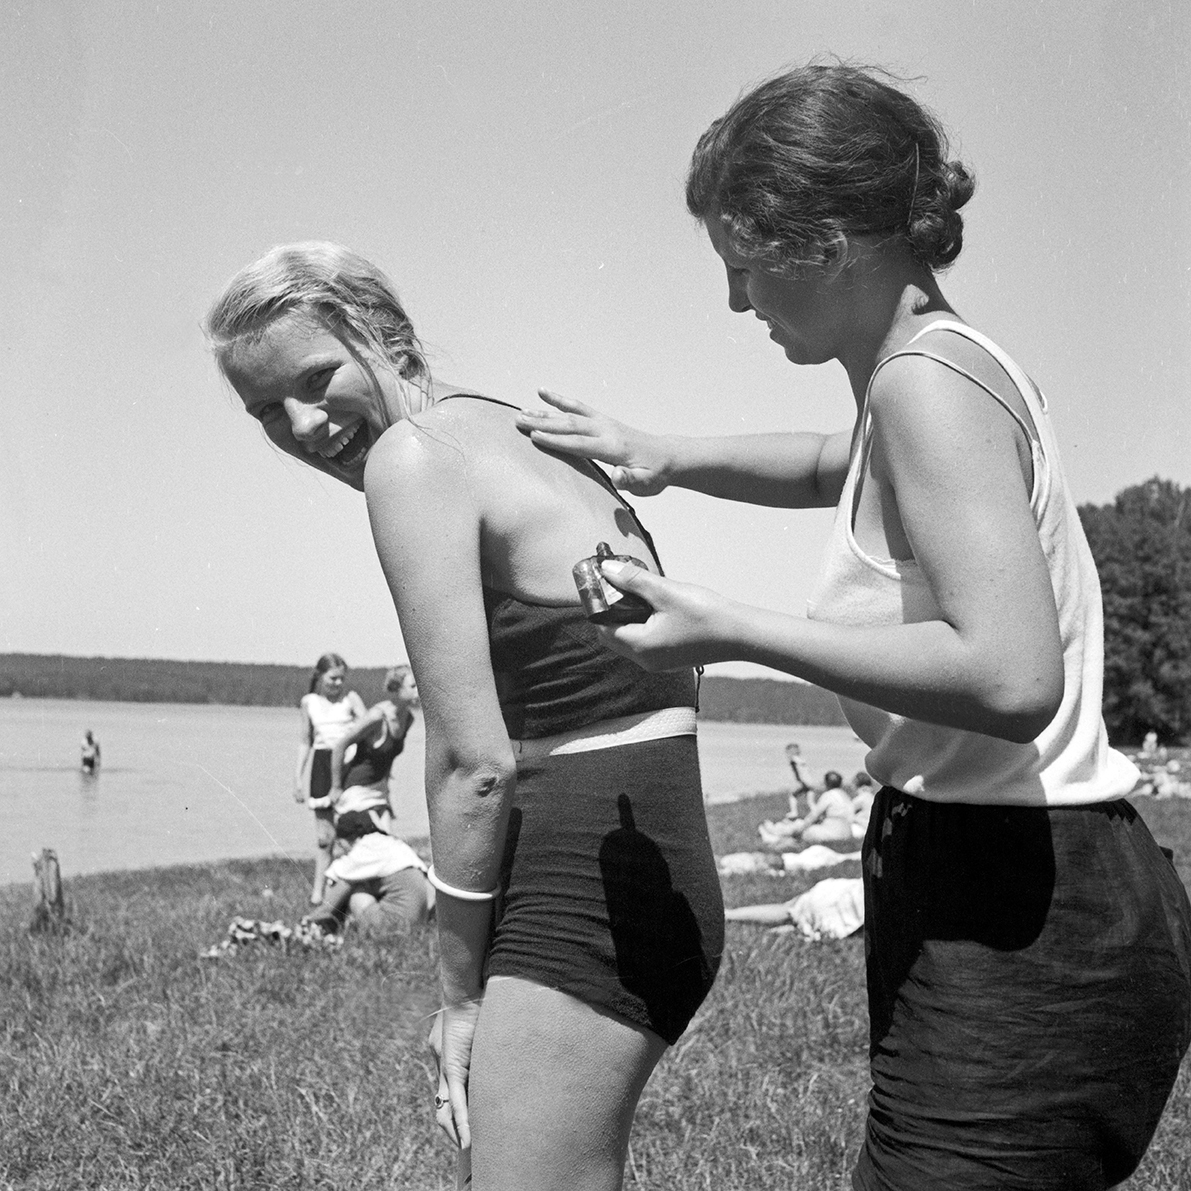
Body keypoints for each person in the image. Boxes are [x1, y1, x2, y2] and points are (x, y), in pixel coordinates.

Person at [514, 62, 1191, 1190]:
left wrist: (725, 626)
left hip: (1026, 902)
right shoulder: (928, 373)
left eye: (745, 269)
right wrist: (670, 456)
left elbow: (1014, 677)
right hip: (998, 872)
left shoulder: (924, 388)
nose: (739, 305)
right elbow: (847, 466)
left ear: (826, 244)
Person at [206, 242, 722, 1191]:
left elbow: (472, 764)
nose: (302, 425)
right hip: (651, 853)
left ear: (383, 337)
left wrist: (458, 992)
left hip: (582, 882)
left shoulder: (416, 459)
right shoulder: (513, 428)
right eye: (264, 411)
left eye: (317, 379)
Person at [297, 653, 366, 905]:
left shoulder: (351, 699)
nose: (337, 683)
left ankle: (352, 892)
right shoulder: (309, 702)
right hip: (321, 767)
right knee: (324, 838)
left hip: (349, 765)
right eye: (332, 678)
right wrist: (297, 779)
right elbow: (305, 741)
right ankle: (319, 894)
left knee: (351, 833)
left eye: (341, 679)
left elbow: (369, 728)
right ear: (320, 676)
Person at [758, 769, 854, 846]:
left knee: (804, 832)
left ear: (827, 783)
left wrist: (802, 827)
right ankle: (778, 833)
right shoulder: (846, 796)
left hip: (833, 833)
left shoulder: (829, 795)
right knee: (803, 828)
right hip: (847, 832)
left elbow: (814, 815)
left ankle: (776, 834)